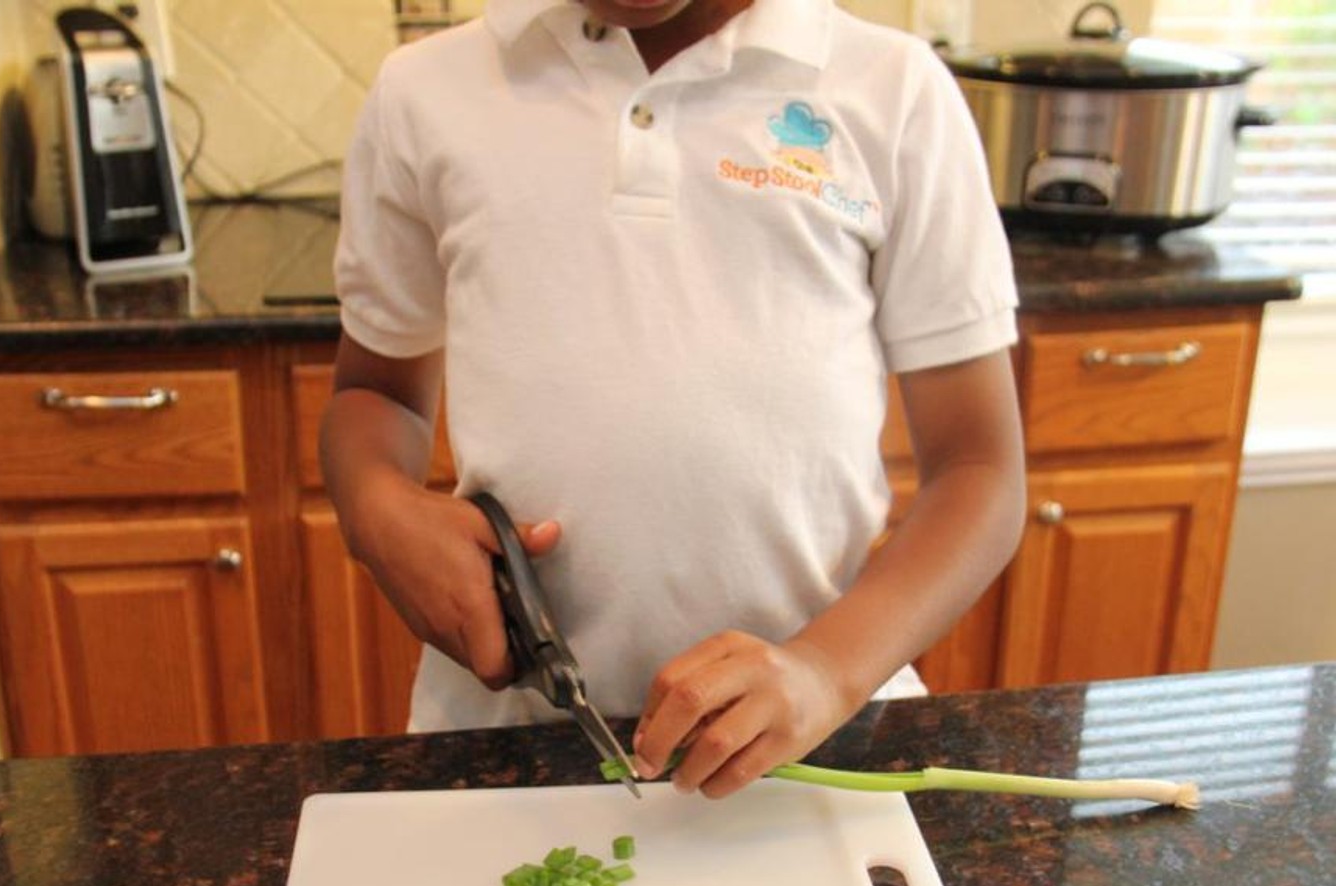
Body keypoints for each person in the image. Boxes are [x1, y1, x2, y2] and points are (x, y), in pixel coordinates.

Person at [320, 0, 1026, 799]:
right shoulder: (427, 92)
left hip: (810, 745)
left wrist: (826, 672)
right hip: (505, 737)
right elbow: (374, 395)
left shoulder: (895, 92)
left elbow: (979, 470)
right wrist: (377, 509)